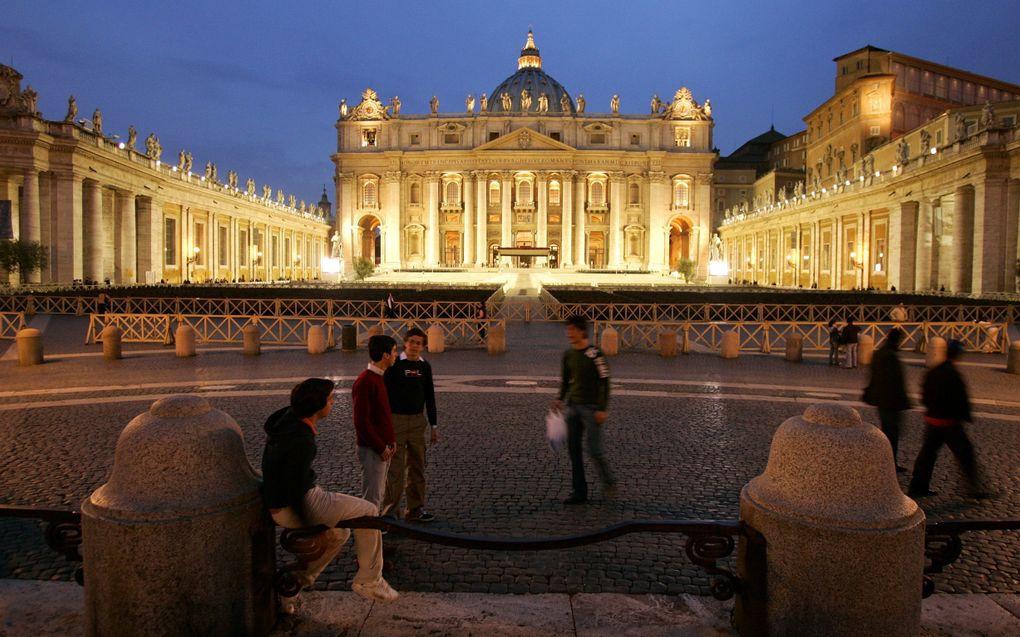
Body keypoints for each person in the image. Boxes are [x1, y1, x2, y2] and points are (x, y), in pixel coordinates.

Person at [260, 378, 399, 613]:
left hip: (284, 501)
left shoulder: (287, 419)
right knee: (369, 510)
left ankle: (294, 584)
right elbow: (295, 491)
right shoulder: (302, 441)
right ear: (317, 406)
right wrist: (310, 529)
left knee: (339, 533)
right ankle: (370, 579)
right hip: (298, 503)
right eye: (331, 399)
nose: (334, 402)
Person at [907, 341, 990, 499]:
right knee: (965, 455)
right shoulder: (953, 374)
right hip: (949, 422)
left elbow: (924, 395)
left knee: (927, 454)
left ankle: (918, 486)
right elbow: (960, 399)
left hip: (933, 420)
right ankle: (975, 489)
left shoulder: (933, 372)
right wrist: (965, 415)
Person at [553, 315, 614, 504]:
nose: (569, 333)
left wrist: (602, 408)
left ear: (581, 331)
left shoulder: (595, 354)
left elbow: (605, 381)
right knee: (574, 450)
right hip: (573, 406)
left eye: (572, 330)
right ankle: (580, 492)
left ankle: (608, 480)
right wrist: (560, 399)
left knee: (594, 450)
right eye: (568, 330)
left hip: (592, 408)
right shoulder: (568, 355)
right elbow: (566, 381)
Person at [381, 328, 439, 523]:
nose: (415, 346)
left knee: (417, 467)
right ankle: (390, 514)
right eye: (412, 342)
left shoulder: (425, 367)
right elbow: (383, 394)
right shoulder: (394, 365)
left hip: (417, 422)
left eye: (419, 343)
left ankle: (415, 509)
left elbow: (430, 397)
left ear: (423, 346)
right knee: (394, 470)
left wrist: (434, 425)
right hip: (395, 421)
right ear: (405, 343)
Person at [353, 334, 398, 507]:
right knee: (372, 500)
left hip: (381, 447)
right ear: (385, 355)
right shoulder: (366, 381)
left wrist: (390, 440)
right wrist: (380, 446)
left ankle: (374, 534)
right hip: (373, 449)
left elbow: (382, 416)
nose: (396, 355)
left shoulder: (377, 378)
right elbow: (361, 422)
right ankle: (368, 533)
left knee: (377, 495)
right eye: (394, 351)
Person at [863, 328, 911, 471]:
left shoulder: (878, 353)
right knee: (891, 434)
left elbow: (873, 376)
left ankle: (886, 461)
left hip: (880, 399)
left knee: (888, 431)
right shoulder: (891, 356)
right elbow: (894, 382)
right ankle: (889, 463)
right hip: (890, 401)